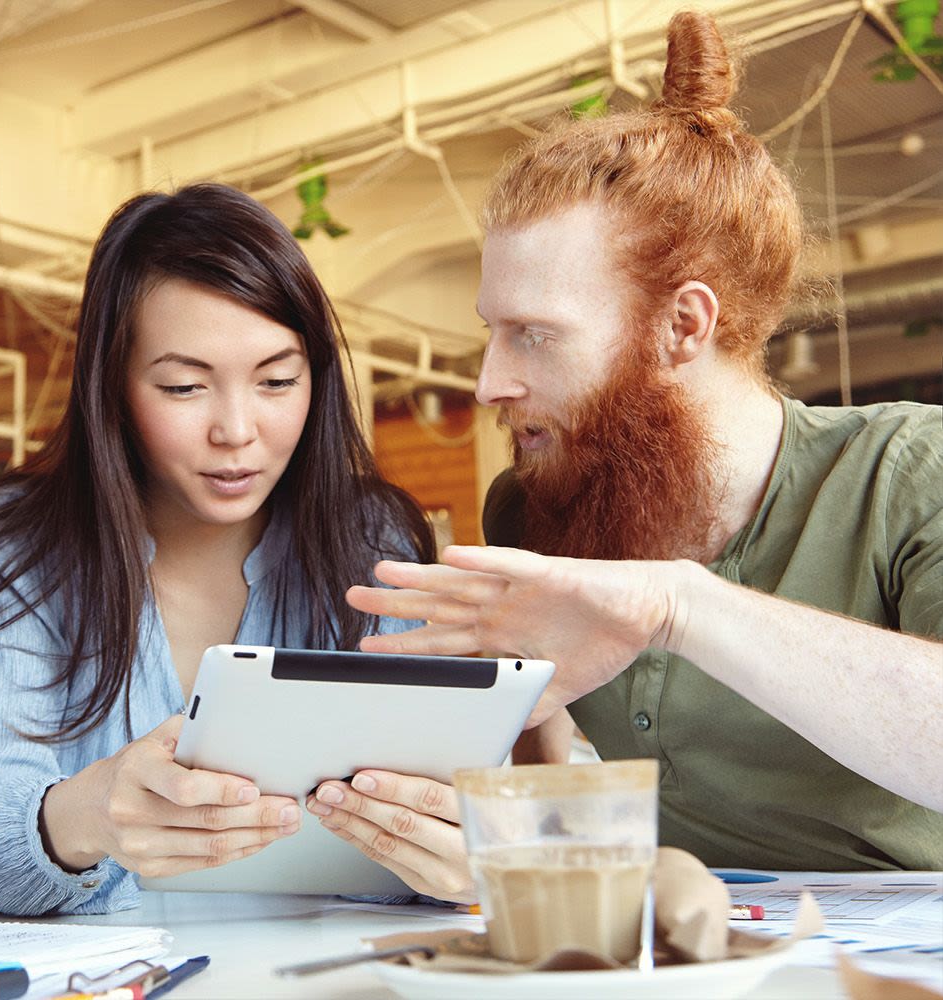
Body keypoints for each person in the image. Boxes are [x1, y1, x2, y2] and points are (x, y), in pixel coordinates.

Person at [307, 9, 943, 894]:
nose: (489, 383)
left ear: (683, 326)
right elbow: (536, 771)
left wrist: (675, 605)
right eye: (493, 332)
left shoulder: (909, 470)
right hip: (659, 941)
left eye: (534, 336)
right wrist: (495, 842)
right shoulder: (536, 502)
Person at [0, 183, 437, 916]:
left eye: (276, 381)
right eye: (183, 387)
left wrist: (454, 859)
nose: (236, 430)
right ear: (112, 387)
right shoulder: (22, 547)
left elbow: (426, 854)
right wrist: (90, 812)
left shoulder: (374, 545)